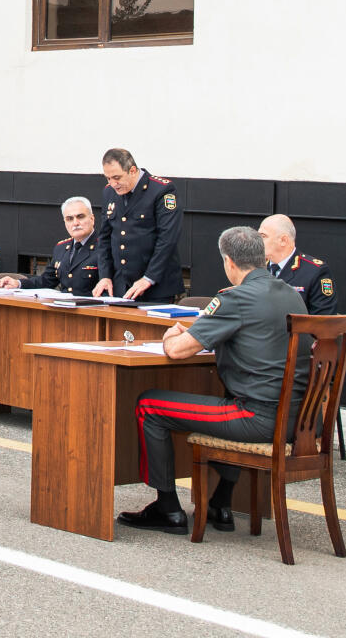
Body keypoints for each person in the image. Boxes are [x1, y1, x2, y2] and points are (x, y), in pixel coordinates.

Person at [121, 226, 308, 534]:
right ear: (262, 258)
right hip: (297, 421)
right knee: (228, 393)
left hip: (257, 419)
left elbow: (178, 350)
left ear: (228, 262)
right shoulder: (291, 294)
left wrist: (170, 336)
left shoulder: (235, 298)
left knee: (149, 405)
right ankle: (220, 504)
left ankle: (167, 509)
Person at [93, 148, 181, 303]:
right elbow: (105, 238)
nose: (113, 184)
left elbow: (167, 239)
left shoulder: (161, 189)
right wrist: (105, 276)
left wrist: (149, 278)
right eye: (108, 178)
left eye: (117, 177)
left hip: (155, 286)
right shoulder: (109, 192)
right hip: (121, 285)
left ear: (132, 171)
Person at [0, 196, 98, 294]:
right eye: (69, 219)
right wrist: (18, 283)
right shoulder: (62, 248)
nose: (75, 223)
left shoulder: (103, 247)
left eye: (80, 217)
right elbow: (46, 281)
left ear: (92, 219)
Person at [259, 215, 337, 315]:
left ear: (283, 240)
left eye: (263, 236)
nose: (257, 241)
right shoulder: (256, 268)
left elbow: (323, 320)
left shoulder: (314, 271)